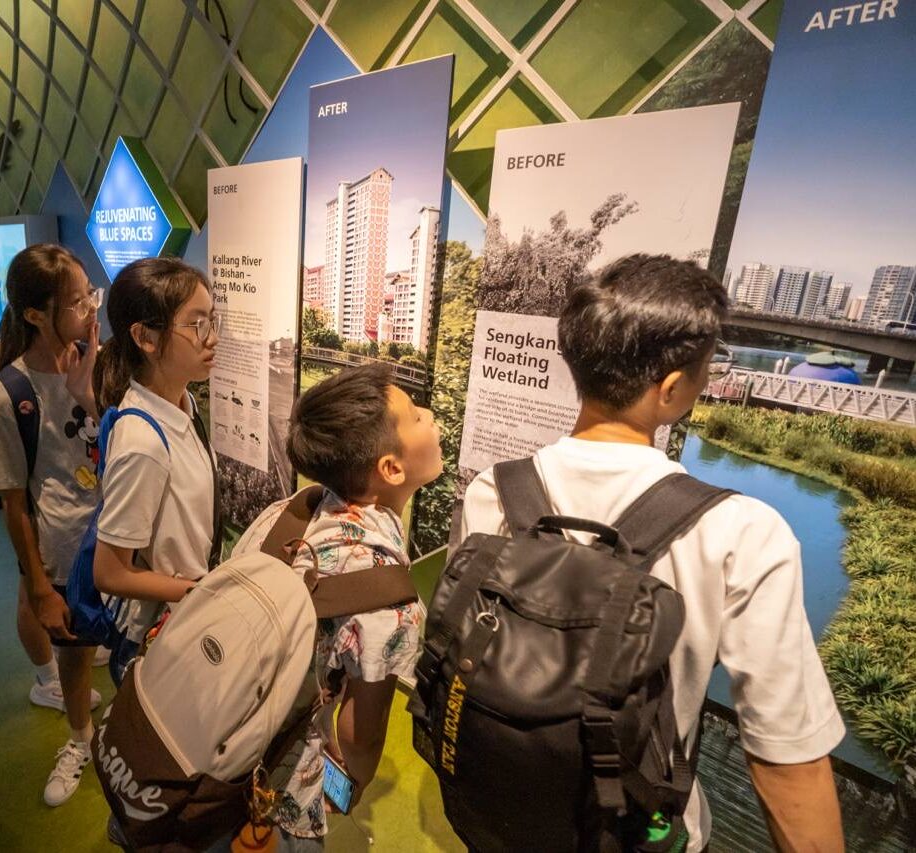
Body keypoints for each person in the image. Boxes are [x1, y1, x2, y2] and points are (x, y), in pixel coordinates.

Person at [460, 254, 846, 853]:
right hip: (638, 829)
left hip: (505, 811)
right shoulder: (740, 532)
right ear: (671, 389)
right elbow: (786, 758)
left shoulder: (494, 490)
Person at [277, 362, 442, 850]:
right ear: (391, 469)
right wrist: (343, 791)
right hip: (274, 792)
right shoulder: (387, 600)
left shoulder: (296, 513)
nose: (430, 415)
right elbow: (360, 741)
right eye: (415, 416)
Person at [0, 244, 104, 806]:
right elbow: (14, 503)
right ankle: (79, 741)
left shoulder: (95, 362)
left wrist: (92, 390)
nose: (88, 311)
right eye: (77, 302)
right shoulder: (8, 395)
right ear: (35, 314)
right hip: (64, 551)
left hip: (119, 540)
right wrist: (37, 585)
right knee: (75, 658)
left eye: (88, 297)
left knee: (119, 649)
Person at [92, 257, 220, 686]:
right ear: (145, 337)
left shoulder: (182, 405)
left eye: (212, 320)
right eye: (197, 324)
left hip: (190, 616)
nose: (212, 337)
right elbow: (109, 572)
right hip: (162, 635)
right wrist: (200, 593)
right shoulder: (143, 441)